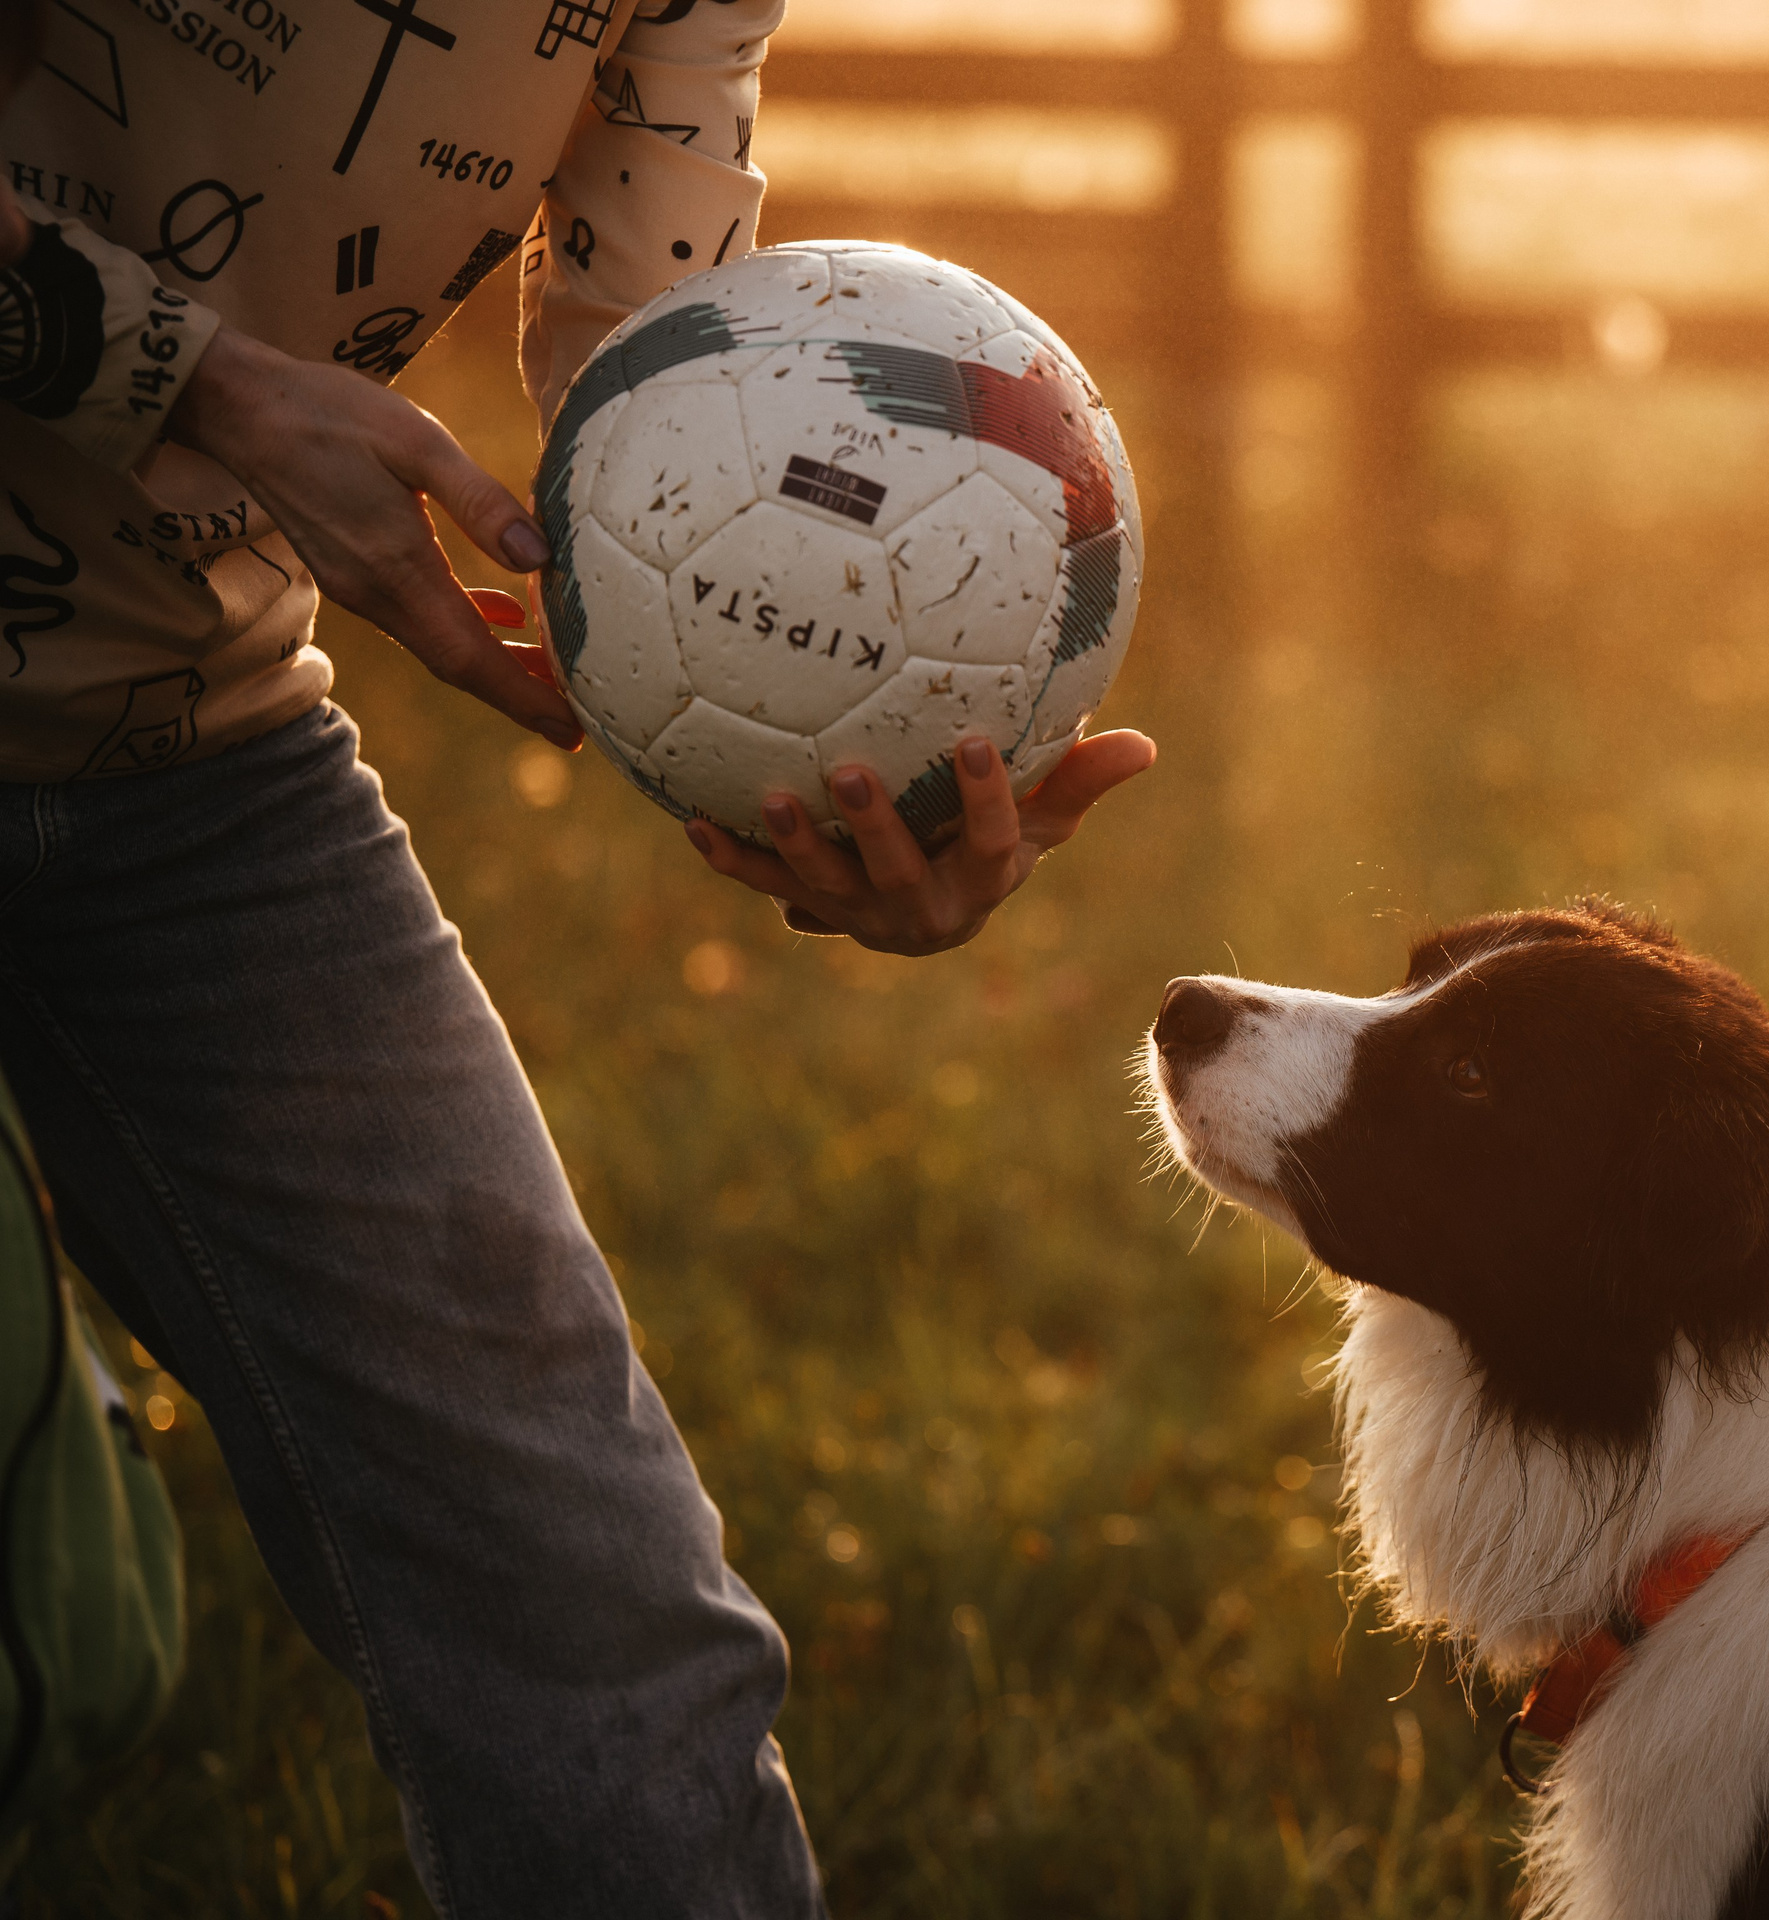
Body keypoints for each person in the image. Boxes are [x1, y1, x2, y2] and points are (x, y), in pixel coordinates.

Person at [0, 0, 1152, 1905]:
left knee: (594, 1617)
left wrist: (808, 721)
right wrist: (201, 381)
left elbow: (658, 373)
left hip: (183, 764)